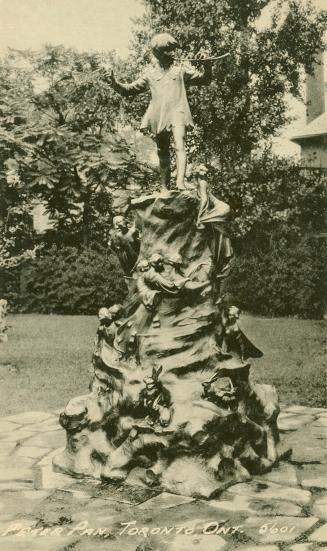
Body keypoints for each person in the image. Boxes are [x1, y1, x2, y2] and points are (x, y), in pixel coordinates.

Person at [107, 33, 213, 190]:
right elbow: (128, 90)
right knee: (162, 151)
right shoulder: (150, 75)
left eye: (172, 50)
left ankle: (180, 183)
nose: (171, 54)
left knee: (179, 145)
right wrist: (114, 82)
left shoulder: (181, 71)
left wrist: (207, 66)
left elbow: (205, 79)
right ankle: (164, 187)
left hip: (178, 112)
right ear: (158, 54)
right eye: (167, 50)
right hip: (159, 116)